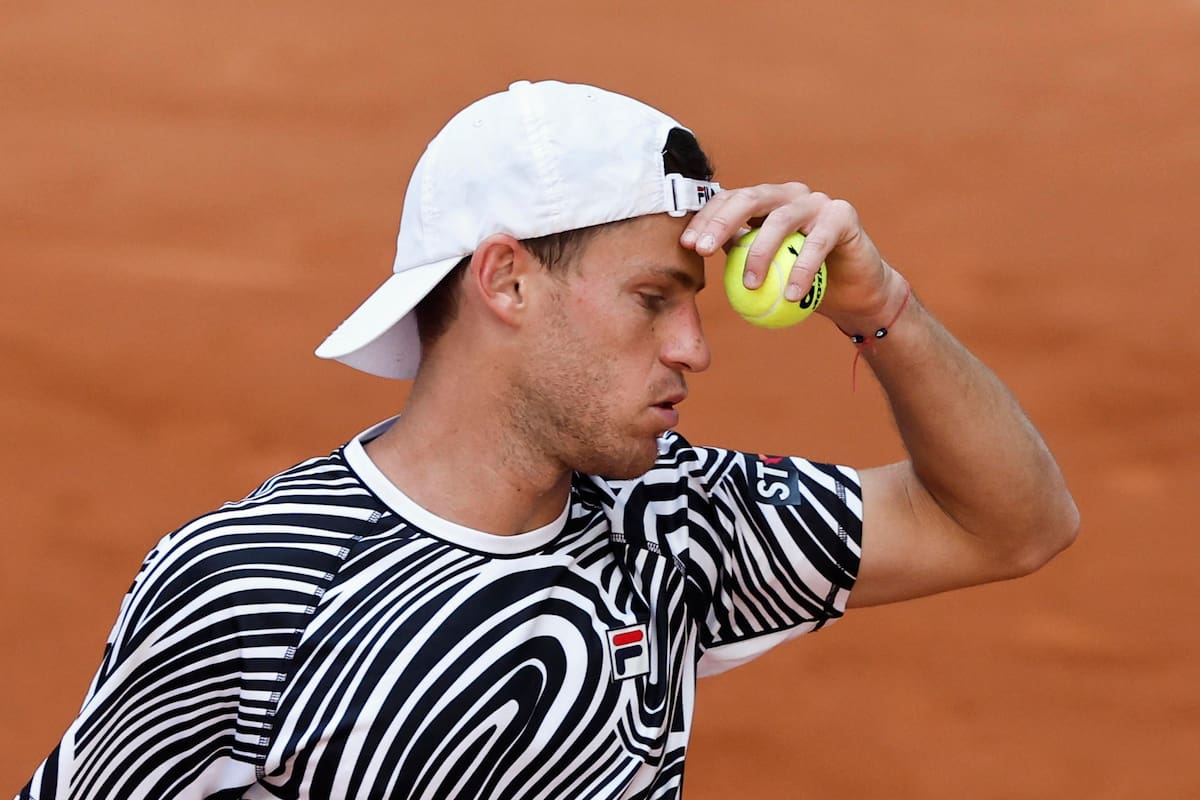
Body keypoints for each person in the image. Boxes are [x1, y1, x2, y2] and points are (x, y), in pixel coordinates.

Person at [16, 79, 1078, 800]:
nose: (695, 348)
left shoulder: (674, 520)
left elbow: (1009, 524)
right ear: (508, 280)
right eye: (653, 297)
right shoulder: (256, 583)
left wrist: (879, 301)